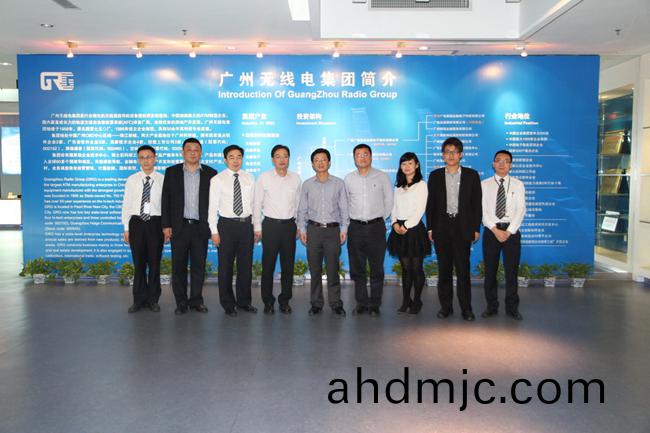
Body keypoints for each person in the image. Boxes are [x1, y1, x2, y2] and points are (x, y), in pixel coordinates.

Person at [426, 137, 482, 321]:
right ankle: (446, 307)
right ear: (443, 155)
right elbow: (431, 205)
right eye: (447, 152)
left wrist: (476, 228)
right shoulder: (435, 176)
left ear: (461, 155)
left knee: (463, 270)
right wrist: (430, 227)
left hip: (463, 227)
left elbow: (476, 205)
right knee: (444, 270)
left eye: (455, 152)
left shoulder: (471, 175)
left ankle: (466, 309)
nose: (451, 155)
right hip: (441, 227)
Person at [161, 137, 217, 315]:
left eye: (196, 149)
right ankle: (181, 302)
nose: (193, 152)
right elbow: (165, 200)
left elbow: (215, 202)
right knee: (178, 267)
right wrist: (166, 225)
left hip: (200, 227)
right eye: (189, 149)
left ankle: (196, 301)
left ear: (201, 152)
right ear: (182, 152)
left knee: (199, 266)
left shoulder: (211, 173)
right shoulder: (172, 172)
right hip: (180, 227)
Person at [297, 148, 349, 316]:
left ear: (329, 162)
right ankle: (316, 303)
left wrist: (344, 228)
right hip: (313, 230)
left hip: (333, 231)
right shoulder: (307, 184)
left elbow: (344, 208)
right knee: (315, 270)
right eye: (317, 160)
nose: (320, 163)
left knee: (333, 269)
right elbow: (302, 209)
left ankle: (336, 303)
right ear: (312, 164)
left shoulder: (339, 183)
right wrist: (302, 229)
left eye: (323, 159)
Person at [344, 143, 393, 316]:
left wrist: (378, 218)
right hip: (355, 227)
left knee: (376, 267)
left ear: (371, 157)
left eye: (365, 154)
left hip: (376, 227)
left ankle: (375, 304)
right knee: (357, 267)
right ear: (354, 158)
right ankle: (361, 302)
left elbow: (389, 201)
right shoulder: (349, 179)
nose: (362, 157)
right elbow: (345, 203)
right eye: (358, 155)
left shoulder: (382, 176)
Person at [209, 145, 257, 317]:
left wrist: (256, 226)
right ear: (225, 159)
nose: (236, 160)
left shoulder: (249, 178)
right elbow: (212, 208)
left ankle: (244, 302)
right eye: (231, 157)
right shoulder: (217, 179)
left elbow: (254, 205)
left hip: (246, 225)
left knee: (245, 266)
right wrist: (214, 231)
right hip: (226, 226)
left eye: (239, 157)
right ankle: (228, 304)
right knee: (225, 267)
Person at [253, 144, 302, 315]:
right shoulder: (264, 177)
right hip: (270, 226)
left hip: (289, 226)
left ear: (289, 159)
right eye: (278, 156)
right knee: (268, 266)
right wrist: (257, 227)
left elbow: (298, 205)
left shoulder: (296, 178)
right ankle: (268, 301)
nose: (282, 159)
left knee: (288, 266)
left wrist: (298, 225)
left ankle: (284, 301)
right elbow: (257, 203)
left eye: (285, 156)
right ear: (272, 159)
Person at [480, 150, 526, 320]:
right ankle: (491, 306)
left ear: (511, 165)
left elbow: (521, 209)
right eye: (498, 160)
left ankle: (512, 308)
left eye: (506, 161)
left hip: (511, 233)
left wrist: (509, 231)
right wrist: (495, 229)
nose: (501, 164)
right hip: (491, 232)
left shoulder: (518, 184)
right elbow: (482, 210)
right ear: (493, 164)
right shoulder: (484, 184)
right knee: (490, 272)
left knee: (511, 272)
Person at [121, 145, 164, 313]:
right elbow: (126, 205)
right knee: (138, 264)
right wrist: (126, 228)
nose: (146, 161)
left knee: (154, 263)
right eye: (142, 157)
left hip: (155, 223)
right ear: (138, 160)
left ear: (155, 159)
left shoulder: (162, 179)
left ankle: (153, 300)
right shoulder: (132, 180)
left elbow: (166, 206)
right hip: (137, 223)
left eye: (149, 157)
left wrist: (166, 228)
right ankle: (138, 300)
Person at [387, 152, 430, 315]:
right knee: (405, 268)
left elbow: (420, 209)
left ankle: (417, 300)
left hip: (414, 229)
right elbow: (393, 207)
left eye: (410, 163)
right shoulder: (398, 186)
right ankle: (406, 300)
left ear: (417, 165)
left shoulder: (422, 185)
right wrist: (394, 223)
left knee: (416, 267)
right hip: (398, 229)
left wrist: (406, 225)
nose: (407, 166)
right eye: (403, 164)